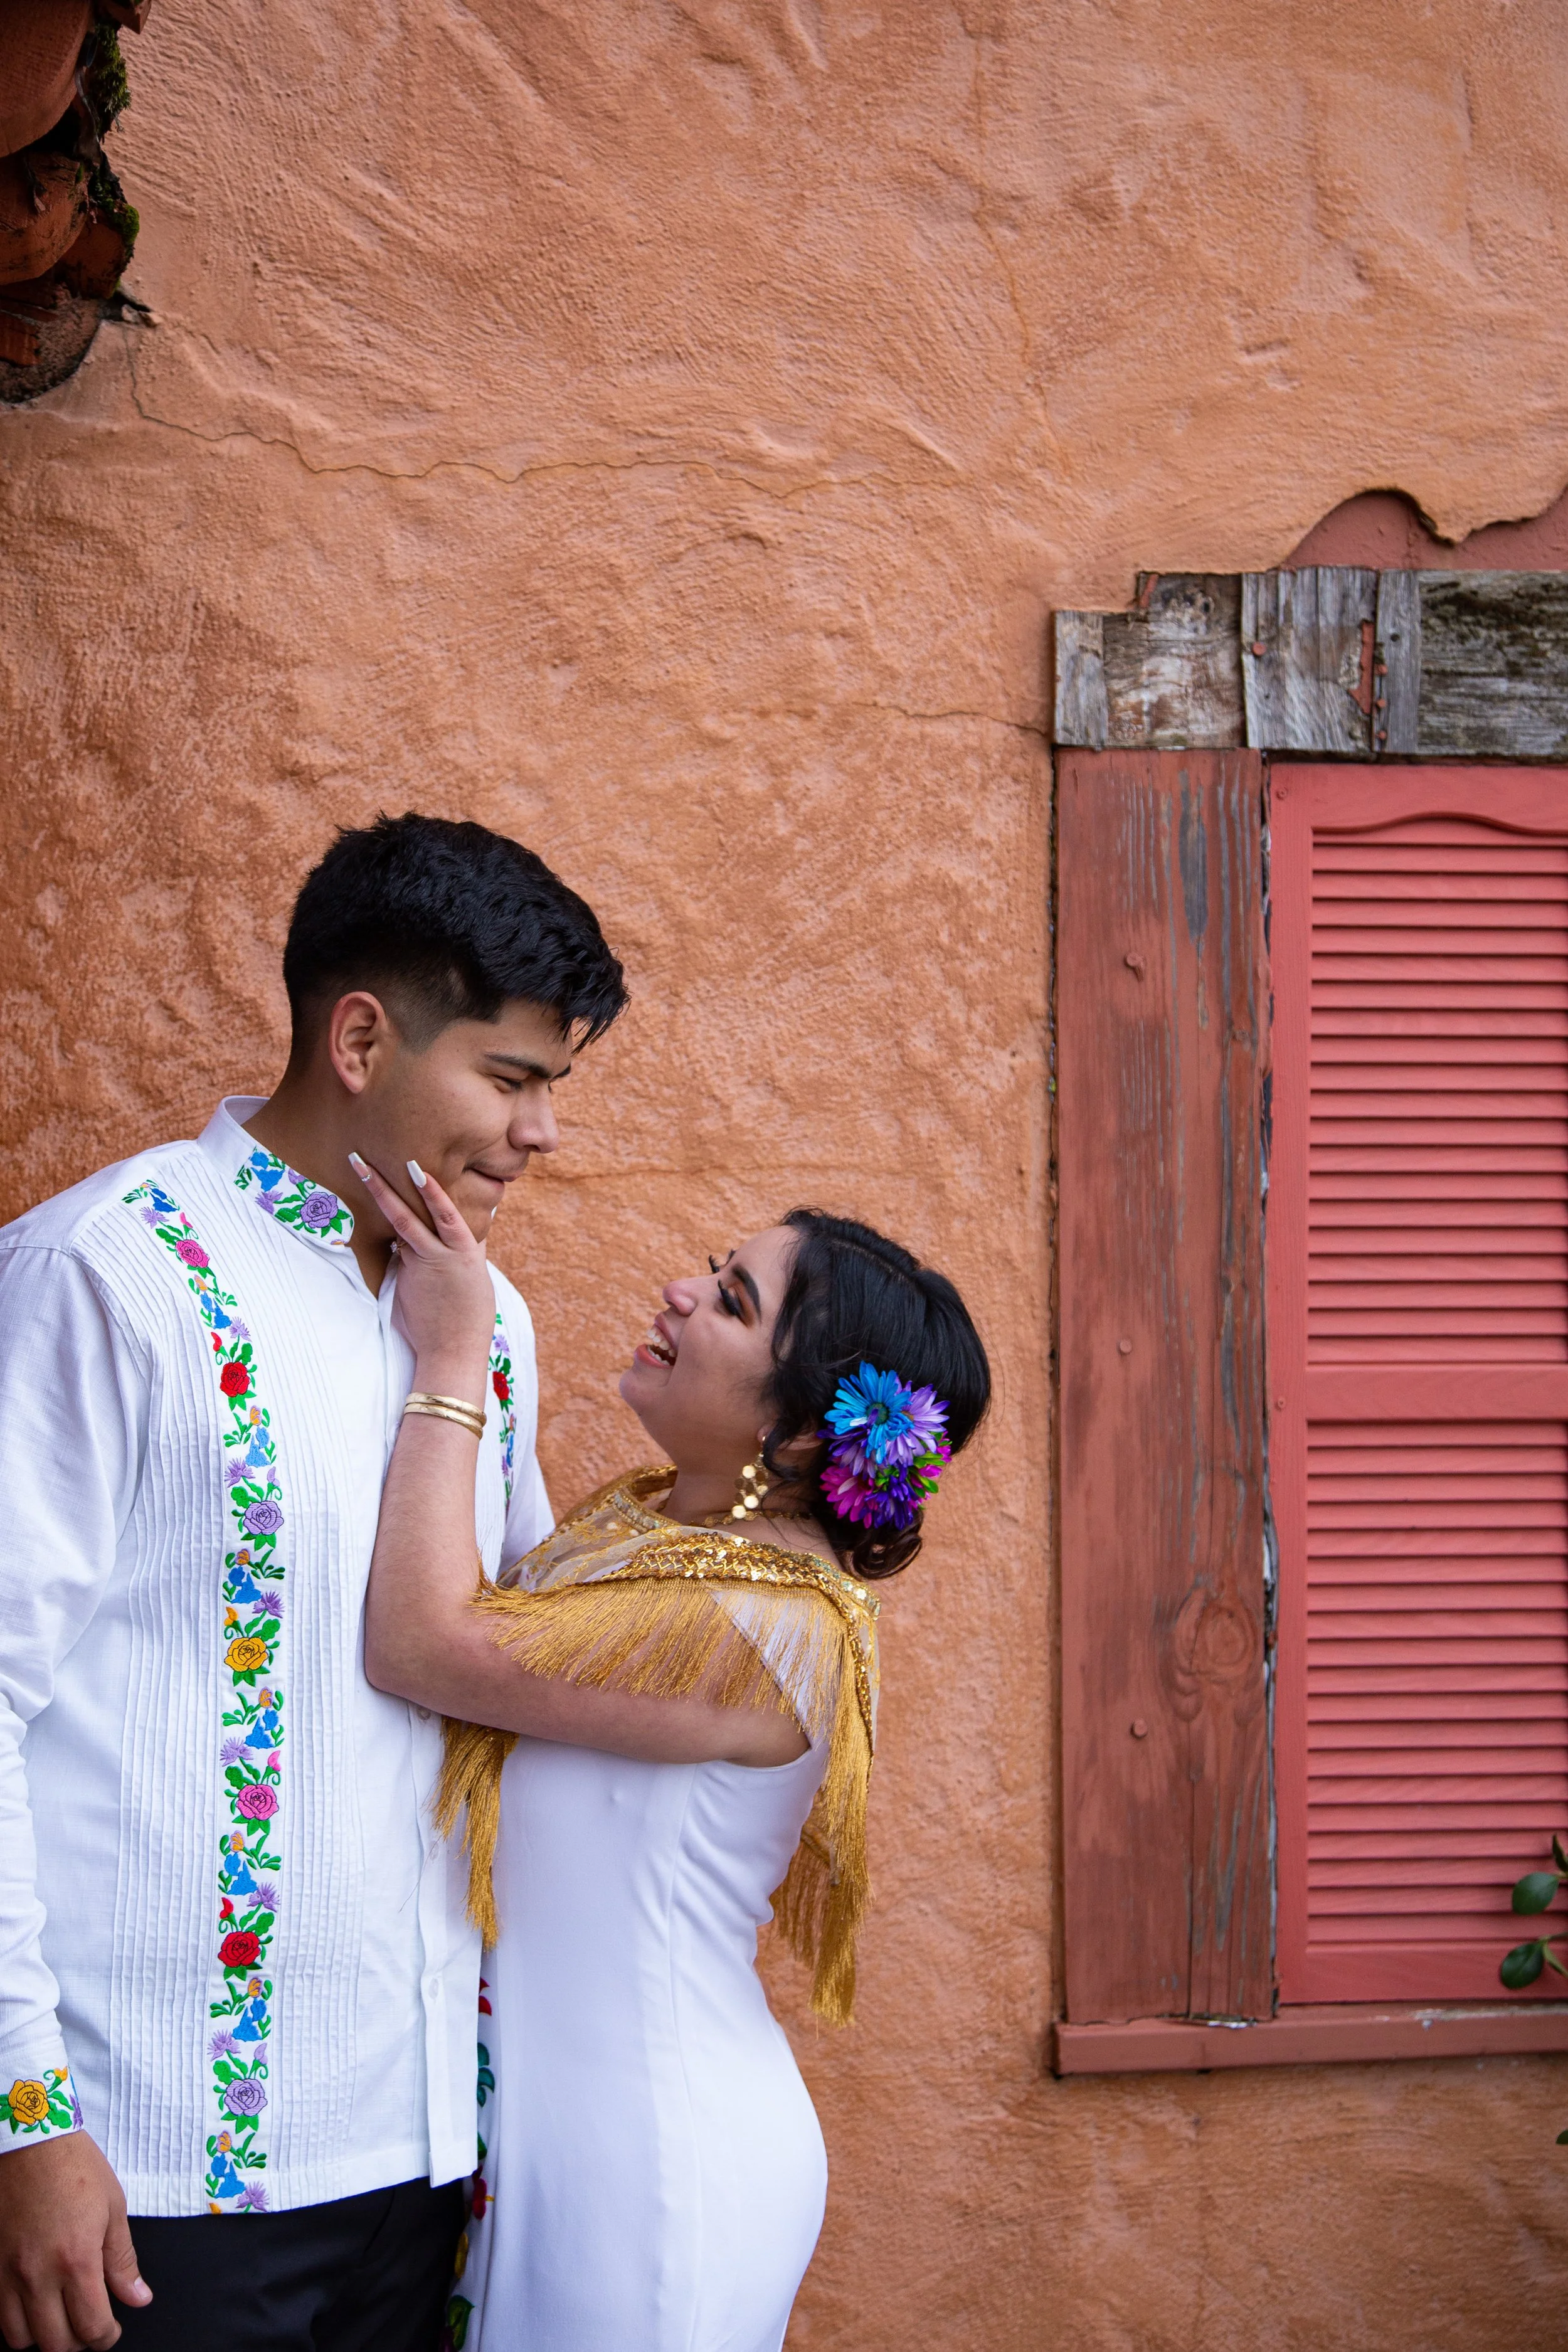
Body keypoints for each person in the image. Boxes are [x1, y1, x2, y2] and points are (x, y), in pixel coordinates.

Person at [0, 814, 627, 2352]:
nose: (540, 1132)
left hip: (417, 2157)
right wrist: (24, 2119)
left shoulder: (489, 1323)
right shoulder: (108, 1275)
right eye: (512, 1077)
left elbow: (505, 1664)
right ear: (360, 1036)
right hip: (147, 2178)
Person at [354, 1155, 990, 2352]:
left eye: (735, 1302)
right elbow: (500, 1617)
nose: (684, 1293)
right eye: (716, 1270)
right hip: (551, 2139)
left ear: (801, 1434)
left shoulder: (770, 1627)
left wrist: (454, 1359)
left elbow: (427, 1643)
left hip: (650, 2170)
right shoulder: (647, 1524)